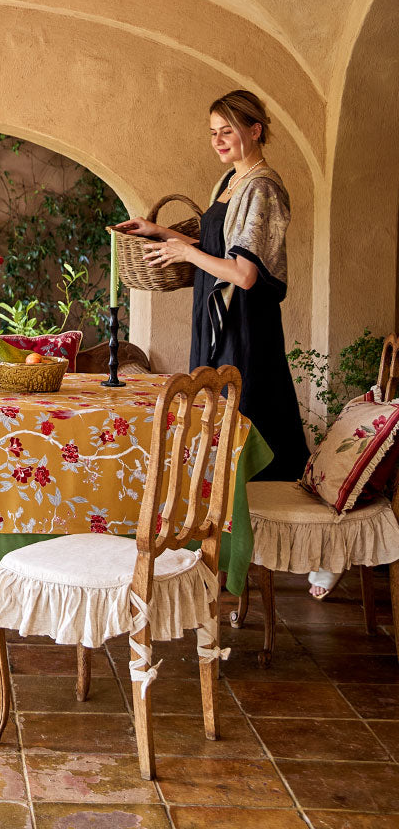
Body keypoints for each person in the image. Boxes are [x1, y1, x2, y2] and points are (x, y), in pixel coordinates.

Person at [114, 90, 314, 575]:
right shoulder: (230, 179)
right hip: (218, 319)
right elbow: (215, 246)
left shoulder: (263, 186)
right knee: (222, 424)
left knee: (252, 420)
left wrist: (185, 255)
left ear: (254, 130)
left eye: (227, 131)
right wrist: (163, 235)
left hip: (245, 323)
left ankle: (301, 544)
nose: (218, 141)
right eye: (213, 133)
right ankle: (227, 541)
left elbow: (244, 273)